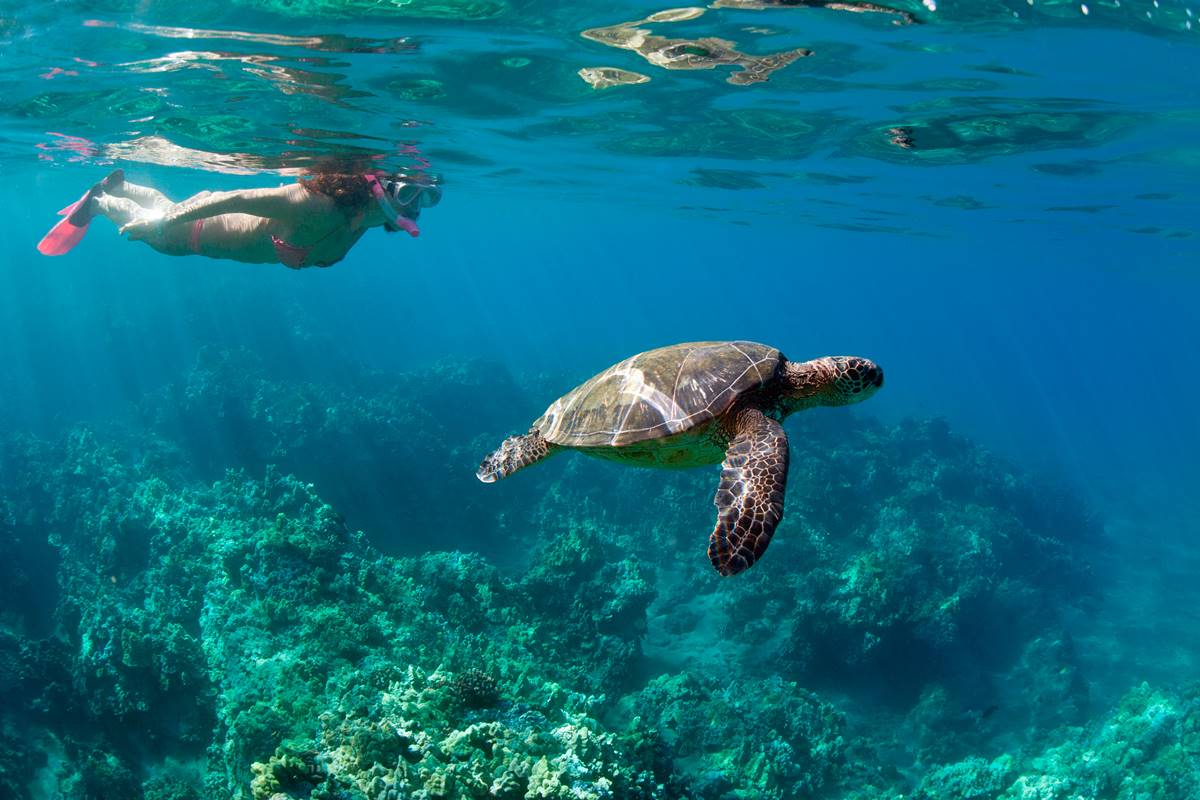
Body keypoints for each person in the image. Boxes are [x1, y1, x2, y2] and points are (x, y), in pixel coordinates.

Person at [37, 167, 442, 269]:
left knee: (162, 208)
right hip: (189, 233)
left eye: (425, 196)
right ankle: (102, 201)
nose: (414, 205)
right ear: (378, 187)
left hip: (201, 226)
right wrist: (162, 225)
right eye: (406, 192)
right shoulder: (314, 205)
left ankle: (123, 187)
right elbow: (235, 197)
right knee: (154, 229)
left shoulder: (360, 222)